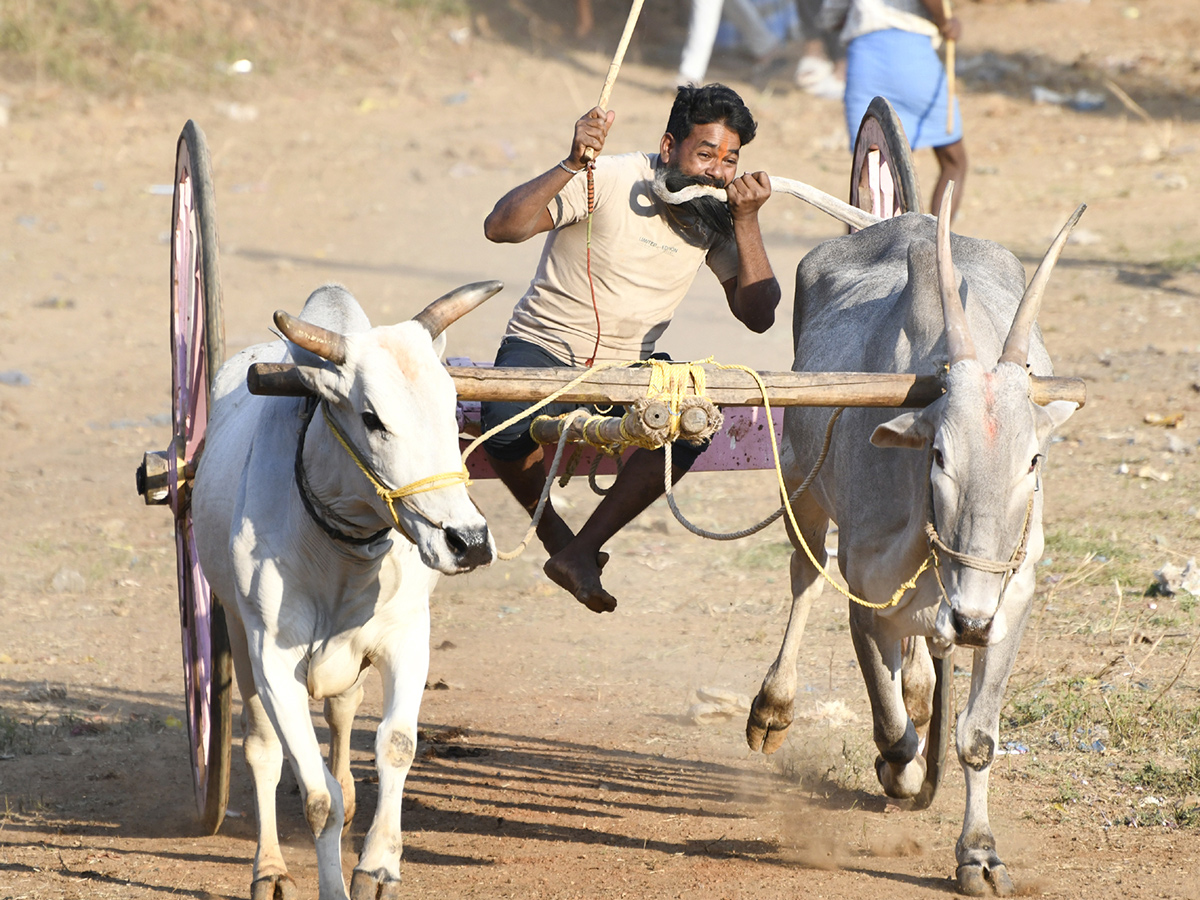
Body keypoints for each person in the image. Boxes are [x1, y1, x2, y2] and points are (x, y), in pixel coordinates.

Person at [481, 83, 781, 614]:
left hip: (630, 369)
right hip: (545, 347)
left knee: (690, 423)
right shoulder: (608, 175)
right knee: (502, 423)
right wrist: (571, 162)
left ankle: (581, 551)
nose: (715, 172)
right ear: (669, 147)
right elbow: (501, 228)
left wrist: (748, 220)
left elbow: (759, 315)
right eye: (704, 154)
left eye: (729, 160)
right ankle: (557, 539)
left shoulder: (716, 215)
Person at [820, 0, 967, 218]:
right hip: (913, 58)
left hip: (864, 60)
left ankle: (861, 249)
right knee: (954, 162)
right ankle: (936, 241)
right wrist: (945, 23)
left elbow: (832, 16)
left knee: (868, 173)